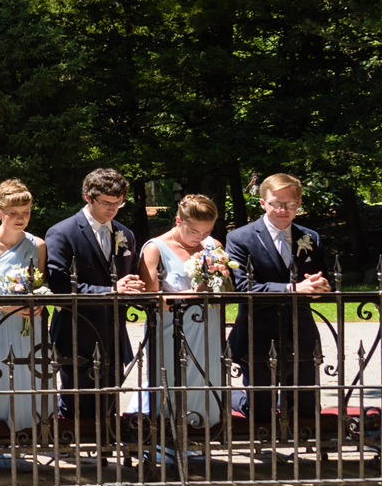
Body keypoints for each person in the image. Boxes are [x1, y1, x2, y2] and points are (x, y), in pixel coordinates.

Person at [226, 173, 328, 429]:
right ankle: (235, 399)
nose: (283, 210)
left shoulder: (311, 238)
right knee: (261, 412)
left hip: (300, 332)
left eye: (290, 204)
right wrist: (293, 288)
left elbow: (324, 277)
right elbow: (243, 287)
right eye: (276, 203)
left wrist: (321, 286)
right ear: (263, 203)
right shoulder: (240, 238)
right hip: (257, 332)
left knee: (305, 409)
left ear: (299, 203)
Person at [44, 168, 146, 422]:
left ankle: (105, 453)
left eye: (118, 203)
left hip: (113, 333)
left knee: (109, 403)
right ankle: (76, 456)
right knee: (77, 405)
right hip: (76, 332)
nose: (112, 209)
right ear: (87, 197)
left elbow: (130, 274)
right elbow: (60, 286)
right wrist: (111, 291)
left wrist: (134, 286)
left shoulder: (126, 234)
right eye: (105, 203)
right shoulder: (62, 233)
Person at [141, 192, 230, 431]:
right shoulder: (155, 248)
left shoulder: (214, 247)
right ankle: (169, 440)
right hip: (172, 331)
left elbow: (224, 294)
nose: (200, 238)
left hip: (208, 329)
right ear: (179, 221)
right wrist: (193, 296)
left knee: (208, 380)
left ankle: (207, 436)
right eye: (194, 231)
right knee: (173, 383)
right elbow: (152, 299)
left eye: (206, 232)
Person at [0, 180, 49, 434]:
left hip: (31, 323)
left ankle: (34, 430)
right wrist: (6, 306)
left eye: (26, 212)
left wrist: (38, 302)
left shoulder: (38, 245)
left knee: (33, 373)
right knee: (0, 375)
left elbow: (39, 283)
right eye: (13, 213)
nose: (21, 218)